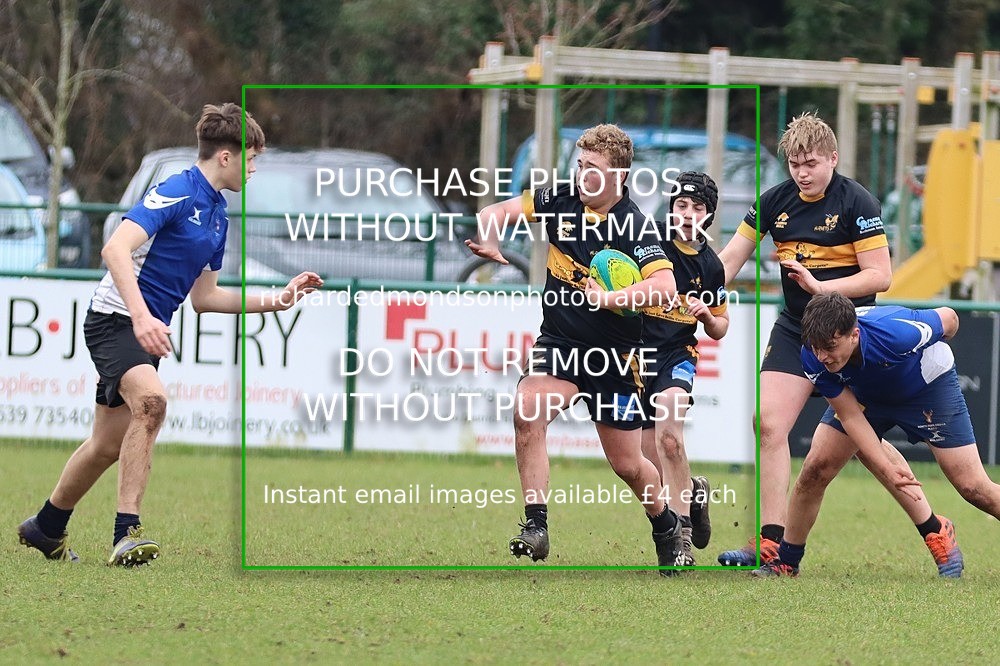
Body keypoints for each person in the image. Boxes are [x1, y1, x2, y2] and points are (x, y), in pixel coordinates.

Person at [17, 103, 323, 566]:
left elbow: (206, 298)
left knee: (105, 445)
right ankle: (127, 533)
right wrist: (142, 318)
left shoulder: (218, 216)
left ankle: (46, 526)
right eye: (252, 158)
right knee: (153, 404)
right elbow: (115, 249)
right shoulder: (177, 190)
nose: (255, 168)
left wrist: (279, 299)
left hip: (143, 329)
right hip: (116, 319)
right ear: (226, 156)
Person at [716, 111, 956, 569]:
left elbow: (880, 276)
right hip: (795, 329)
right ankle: (770, 544)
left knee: (851, 455)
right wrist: (702, 289)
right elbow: (729, 259)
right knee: (767, 423)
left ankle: (933, 528)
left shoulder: (856, 201)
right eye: (794, 164)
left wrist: (820, 287)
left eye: (811, 163)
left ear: (833, 158)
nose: (802, 173)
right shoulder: (774, 202)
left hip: (853, 336)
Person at [466, 123, 688, 574]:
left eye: (594, 169)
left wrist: (608, 298)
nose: (583, 175)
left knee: (629, 465)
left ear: (619, 177)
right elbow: (496, 211)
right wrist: (489, 241)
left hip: (614, 358)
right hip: (561, 345)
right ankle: (536, 526)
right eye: (581, 164)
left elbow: (664, 286)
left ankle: (665, 525)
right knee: (527, 411)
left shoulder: (634, 225)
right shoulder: (559, 198)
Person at [753, 292, 1000, 578]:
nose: (822, 356)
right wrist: (885, 467)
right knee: (815, 469)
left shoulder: (897, 333)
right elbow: (850, 416)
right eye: (817, 348)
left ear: (854, 334)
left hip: (927, 387)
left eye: (830, 347)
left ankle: (940, 530)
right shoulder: (813, 354)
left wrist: (934, 349)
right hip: (866, 396)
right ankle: (787, 561)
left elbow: (950, 318)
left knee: (974, 487)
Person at [638, 171, 729, 568]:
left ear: (708, 216)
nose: (687, 213)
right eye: (681, 205)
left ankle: (682, 538)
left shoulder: (710, 266)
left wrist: (708, 316)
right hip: (634, 359)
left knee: (670, 439)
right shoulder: (647, 239)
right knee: (647, 459)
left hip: (678, 354)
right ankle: (693, 490)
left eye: (697, 207)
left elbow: (722, 327)